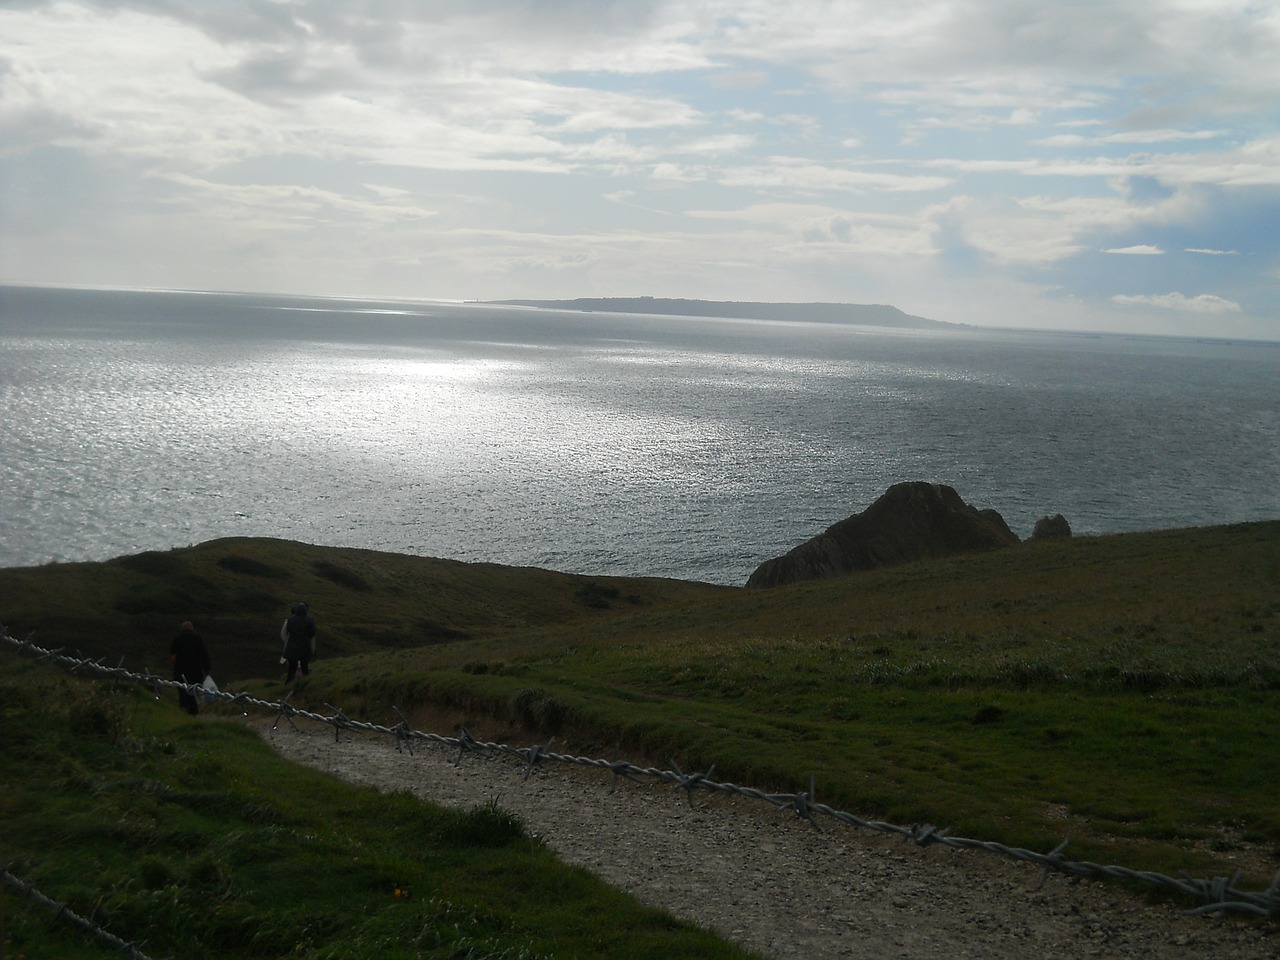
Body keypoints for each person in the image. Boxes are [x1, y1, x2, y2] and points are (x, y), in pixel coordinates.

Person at [170, 620, 211, 716]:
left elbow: (173, 657)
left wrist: (175, 668)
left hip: (181, 670)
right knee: (194, 690)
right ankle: (194, 710)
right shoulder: (197, 639)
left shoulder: (177, 639)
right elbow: (204, 655)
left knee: (182, 690)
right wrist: (207, 669)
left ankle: (184, 708)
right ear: (191, 628)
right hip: (195, 670)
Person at [281, 602, 317, 682]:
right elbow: (312, 636)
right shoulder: (309, 621)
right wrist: (313, 649)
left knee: (291, 669)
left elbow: (284, 634)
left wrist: (287, 643)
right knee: (305, 668)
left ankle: (288, 684)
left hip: (292, 648)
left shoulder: (290, 620)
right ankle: (304, 684)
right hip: (305, 648)